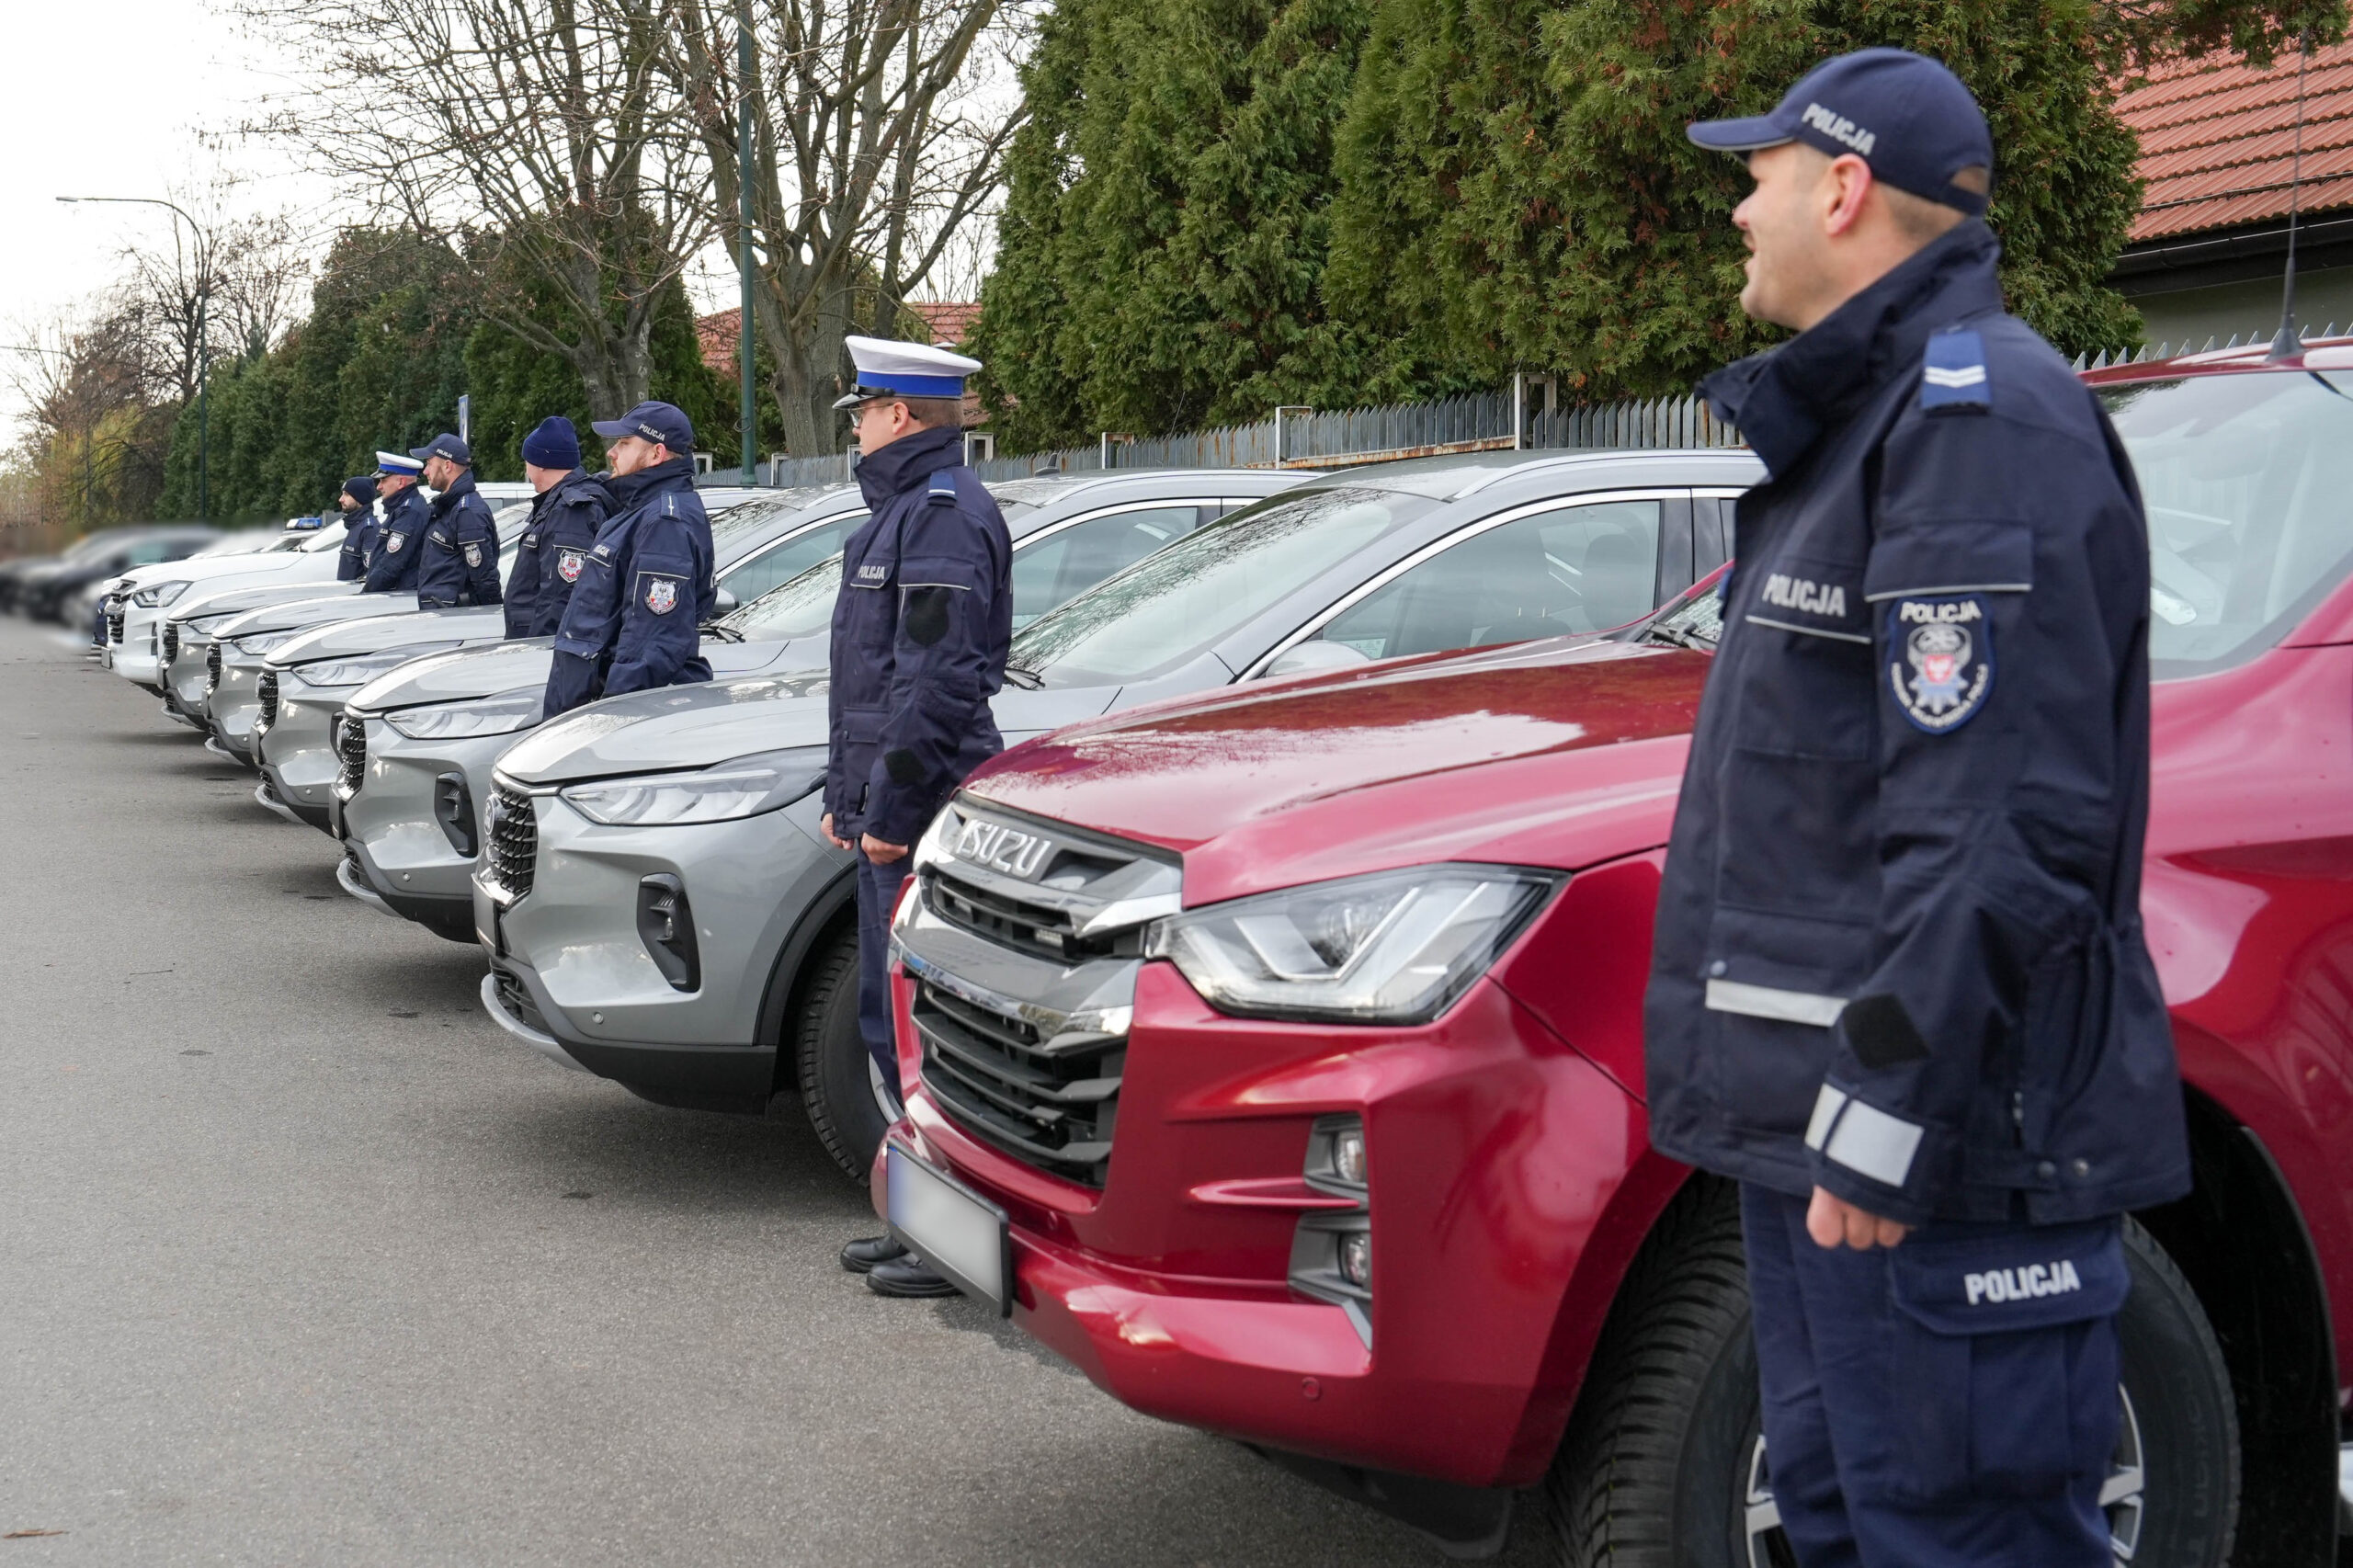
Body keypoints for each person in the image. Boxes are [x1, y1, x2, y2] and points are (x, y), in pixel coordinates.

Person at [1643, 49, 2187, 1567]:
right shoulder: (1865, 428)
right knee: (1841, 1525)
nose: (1741, 205)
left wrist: (1886, 1110)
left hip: (1933, 1157)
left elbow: (2008, 821)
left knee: (1958, 1542)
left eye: (1759, 171)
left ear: (1844, 186)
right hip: (1815, 1141)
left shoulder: (1975, 423)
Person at [821, 336, 1013, 1301]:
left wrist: (889, 812)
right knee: (886, 1020)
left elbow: (933, 686)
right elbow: (866, 681)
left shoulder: (938, 517)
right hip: (886, 806)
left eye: (863, 409)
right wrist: (842, 798)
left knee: (922, 1028)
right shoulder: (905, 514)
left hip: (922, 805)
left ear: (900, 414)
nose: (854, 426)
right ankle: (917, 1218)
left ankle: (946, 1239)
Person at [540, 402, 714, 720]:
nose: (612, 452)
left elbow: (651, 644)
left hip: (610, 717)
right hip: (587, 704)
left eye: (624, 443)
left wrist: (610, 718)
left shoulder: (664, 522)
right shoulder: (638, 512)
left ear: (656, 454)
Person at [506, 416, 614, 640]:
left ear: (541, 463)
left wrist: (538, 647)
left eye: (527, 460)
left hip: (542, 645)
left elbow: (559, 597)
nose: (525, 467)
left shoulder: (570, 511)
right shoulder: (556, 504)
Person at [409, 433, 503, 609]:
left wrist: (491, 618)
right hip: (443, 616)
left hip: (454, 621)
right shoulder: (449, 507)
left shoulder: (467, 512)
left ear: (447, 465)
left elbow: (484, 578)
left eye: (429, 463)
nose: (425, 471)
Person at [362, 451, 429, 595]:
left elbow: (391, 565)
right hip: (396, 594)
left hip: (400, 597)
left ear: (401, 482)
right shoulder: (400, 508)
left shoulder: (410, 512)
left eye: (383, 480)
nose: (379, 487)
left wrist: (365, 595)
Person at [334, 476, 378, 583]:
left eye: (347, 495)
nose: (341, 499)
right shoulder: (356, 526)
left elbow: (370, 574)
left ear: (360, 498)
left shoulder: (369, 529)